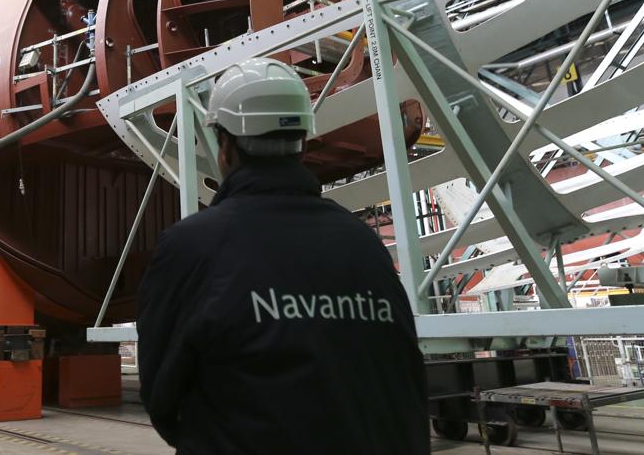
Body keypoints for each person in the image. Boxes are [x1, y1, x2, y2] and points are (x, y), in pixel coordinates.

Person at [137, 58, 428, 454]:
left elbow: (163, 396)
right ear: (304, 143)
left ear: (226, 148)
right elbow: (403, 377)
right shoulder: (362, 242)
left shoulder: (192, 247)